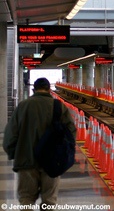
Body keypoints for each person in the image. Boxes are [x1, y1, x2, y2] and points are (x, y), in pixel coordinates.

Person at [3, 77, 76, 207]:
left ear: (33, 89)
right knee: (49, 201)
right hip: (52, 161)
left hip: (26, 161)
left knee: (26, 200)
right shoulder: (58, 107)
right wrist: (65, 154)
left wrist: (14, 153)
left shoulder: (23, 106)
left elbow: (10, 134)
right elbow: (71, 132)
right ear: (49, 89)